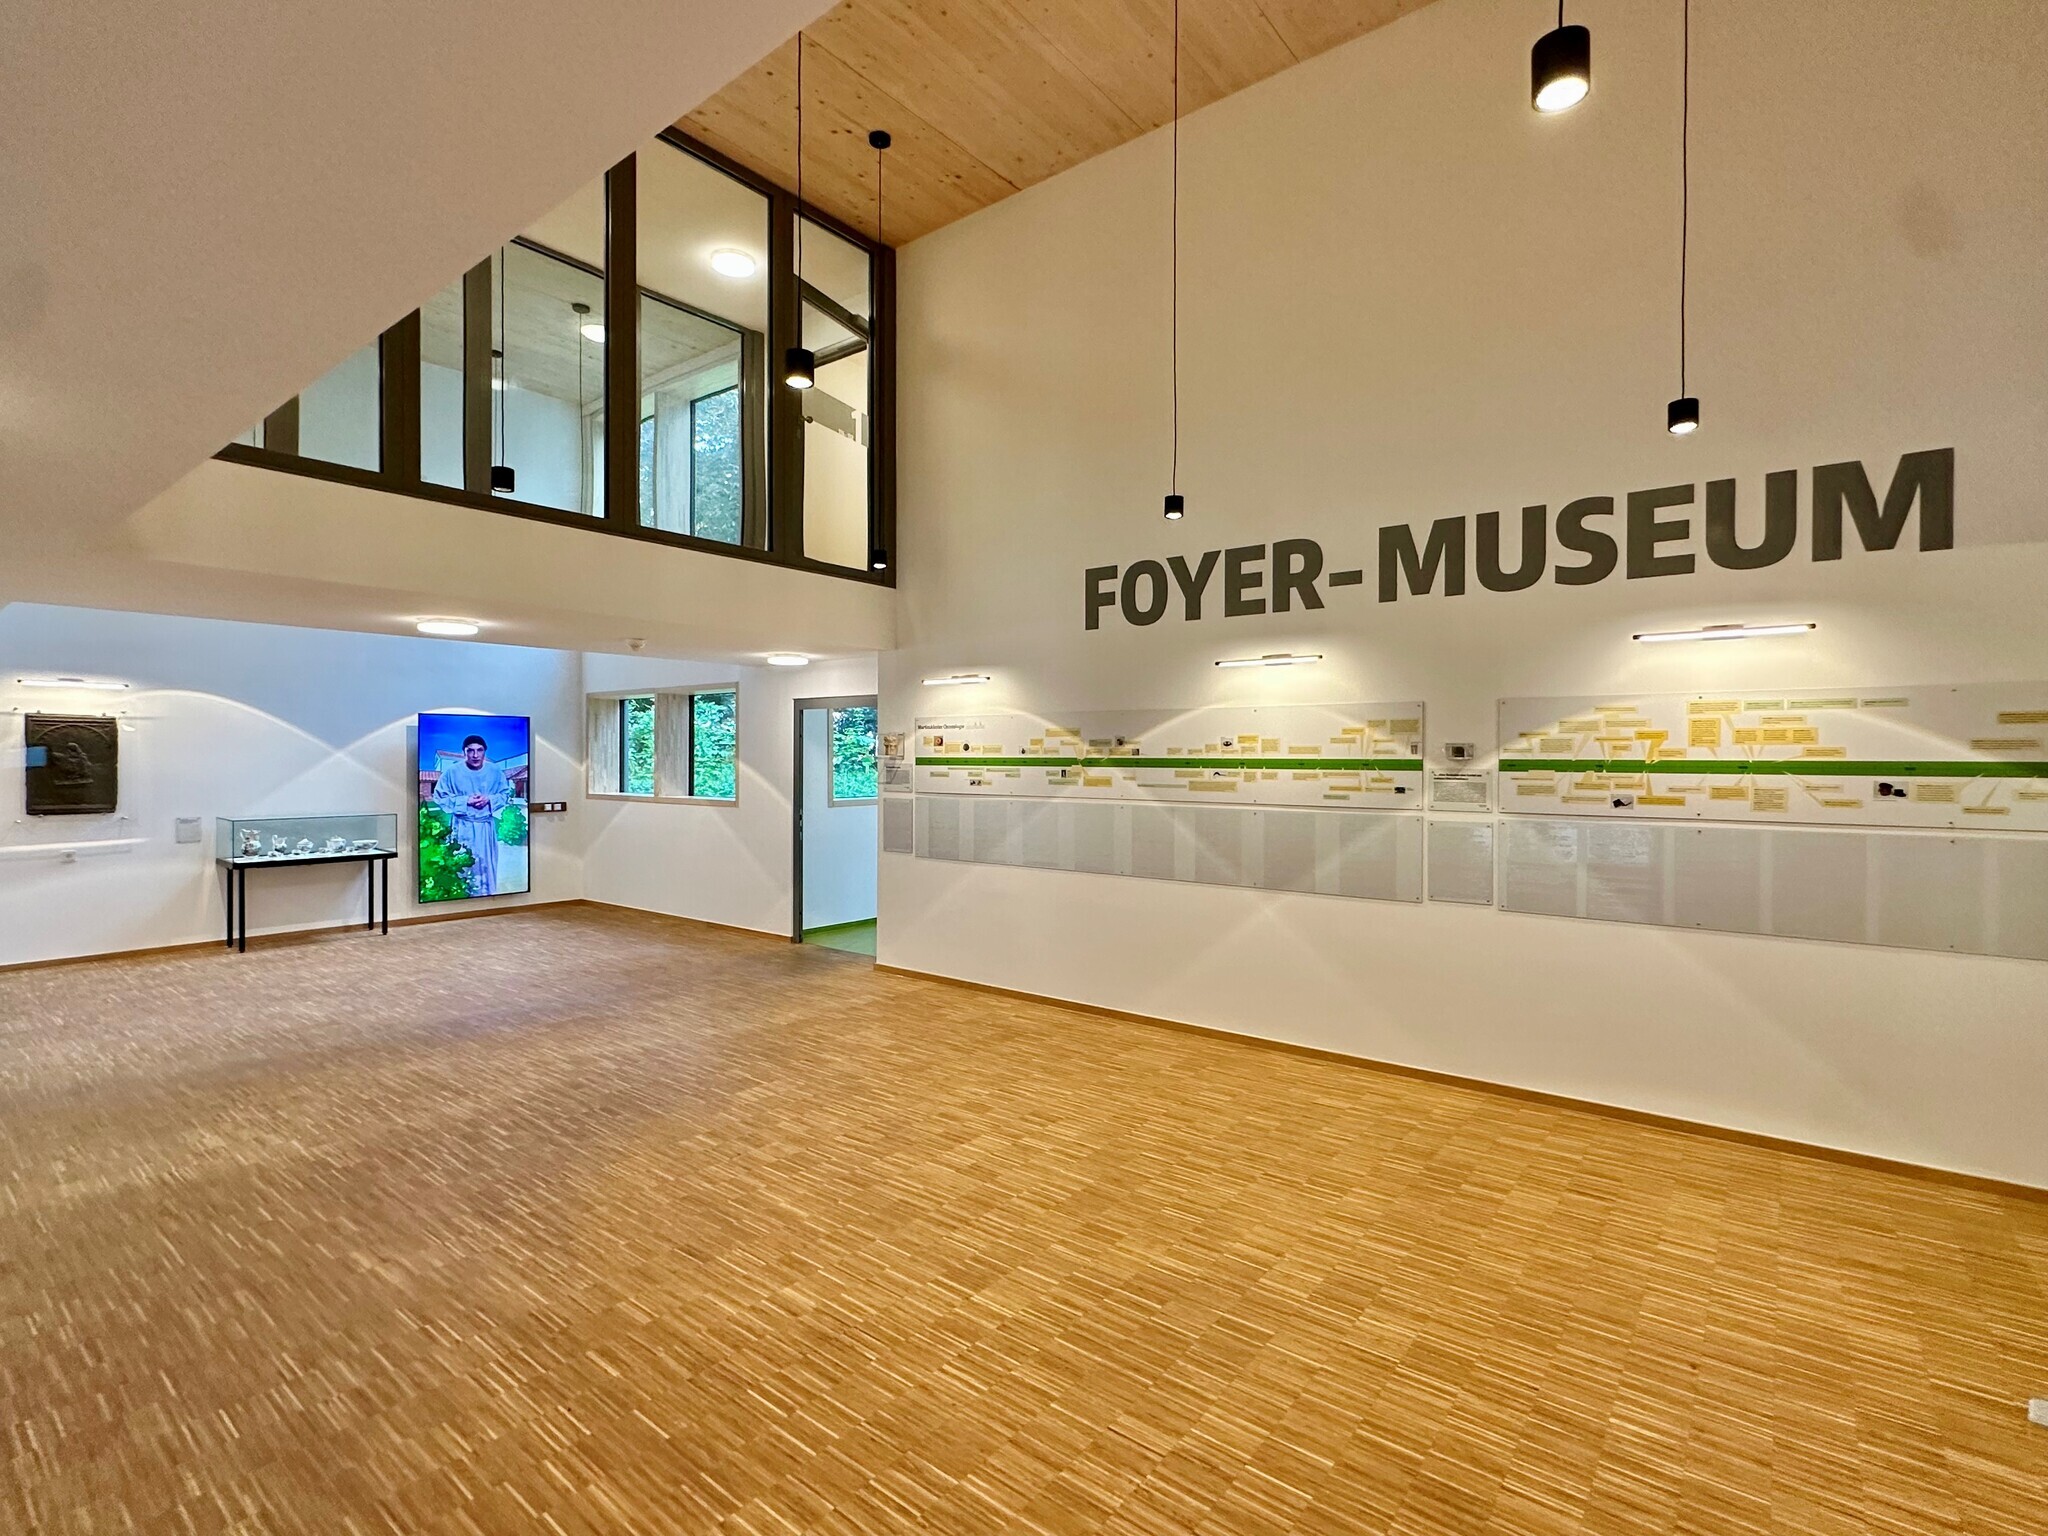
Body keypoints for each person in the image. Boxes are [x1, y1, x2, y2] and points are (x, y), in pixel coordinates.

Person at [430, 734, 514, 896]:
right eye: (470, 751)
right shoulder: (452, 772)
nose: (475, 755)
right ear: (464, 752)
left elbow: (505, 794)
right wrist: (466, 801)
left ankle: (486, 897)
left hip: (485, 828)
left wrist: (488, 799)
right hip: (462, 826)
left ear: (484, 752)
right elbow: (439, 797)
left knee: (484, 864)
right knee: (463, 864)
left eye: (479, 750)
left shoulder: (495, 771)